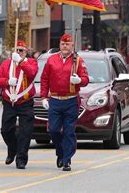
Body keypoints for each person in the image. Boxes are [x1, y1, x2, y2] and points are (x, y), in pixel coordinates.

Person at [40, 33, 89, 172]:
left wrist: (79, 80)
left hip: (71, 100)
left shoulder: (78, 60)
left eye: (67, 44)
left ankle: (67, 160)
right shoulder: (51, 60)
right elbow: (44, 79)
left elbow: (86, 79)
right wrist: (44, 97)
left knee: (68, 131)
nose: (65, 46)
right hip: (55, 100)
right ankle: (60, 152)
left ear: (72, 45)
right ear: (59, 45)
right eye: (62, 44)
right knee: (54, 130)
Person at [0, 40, 38, 169]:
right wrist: (7, 81)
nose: (19, 52)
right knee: (6, 130)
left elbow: (32, 73)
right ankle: (12, 149)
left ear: (26, 52)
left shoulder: (31, 62)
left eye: (21, 50)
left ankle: (21, 159)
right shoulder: (7, 64)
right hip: (9, 102)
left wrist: (20, 62)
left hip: (25, 102)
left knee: (25, 131)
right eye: (17, 50)